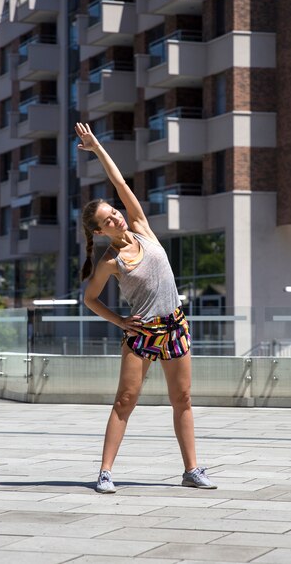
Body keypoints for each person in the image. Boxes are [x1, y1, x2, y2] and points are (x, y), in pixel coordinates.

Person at [75, 122, 217, 493]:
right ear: (100, 231)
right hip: (143, 332)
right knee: (125, 400)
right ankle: (105, 473)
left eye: (114, 213)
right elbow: (90, 298)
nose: (116, 217)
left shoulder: (140, 226)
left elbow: (121, 183)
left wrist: (97, 148)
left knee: (182, 398)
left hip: (175, 325)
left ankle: (192, 470)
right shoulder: (109, 259)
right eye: (107, 220)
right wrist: (121, 321)